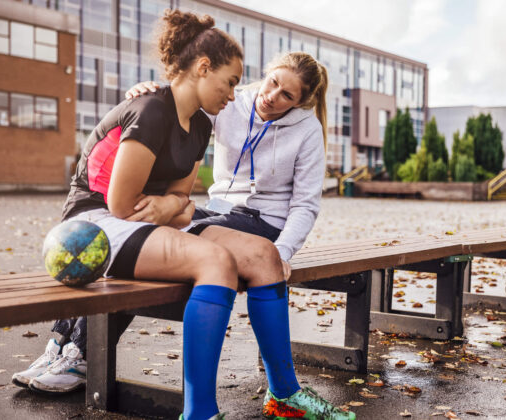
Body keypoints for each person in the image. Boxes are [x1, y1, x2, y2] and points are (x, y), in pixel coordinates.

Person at [126, 52, 350, 420]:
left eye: (286, 96)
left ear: (301, 102)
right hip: (216, 213)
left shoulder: (307, 130)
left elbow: (305, 205)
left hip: (263, 223)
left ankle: (274, 395)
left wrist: (282, 251)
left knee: (162, 234)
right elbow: (186, 105)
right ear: (266, 74)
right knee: (140, 233)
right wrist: (153, 94)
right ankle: (72, 349)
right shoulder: (232, 102)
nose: (272, 96)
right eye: (272, 82)